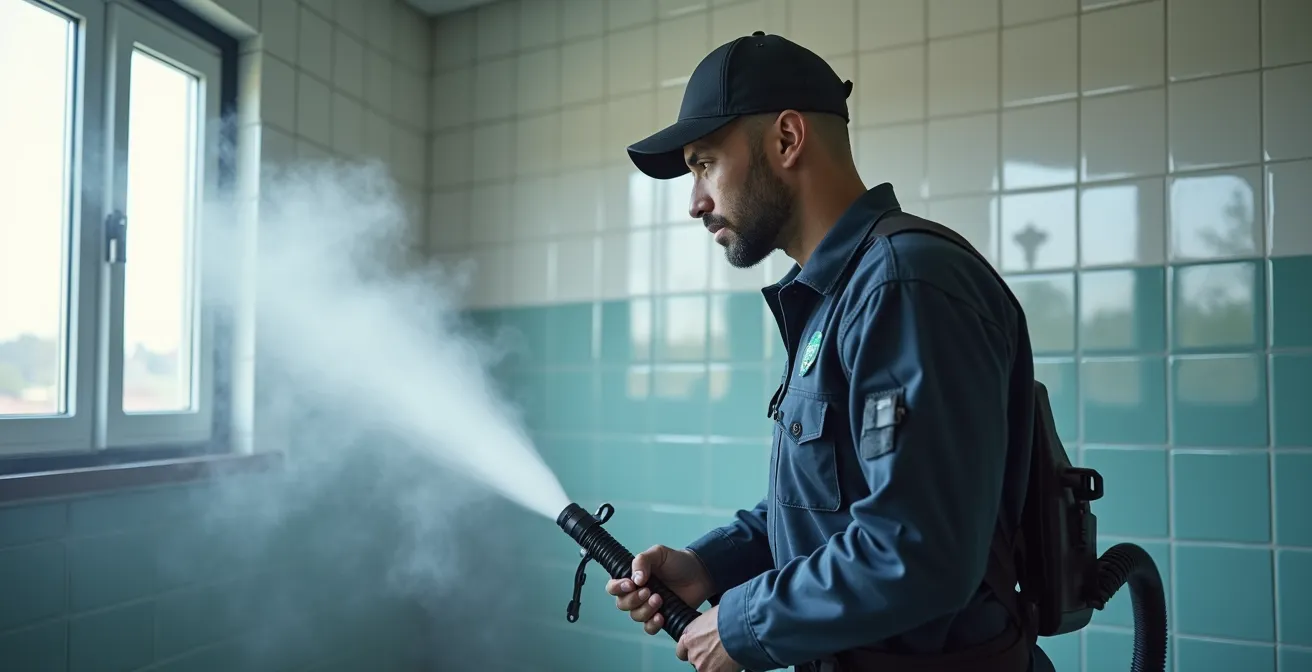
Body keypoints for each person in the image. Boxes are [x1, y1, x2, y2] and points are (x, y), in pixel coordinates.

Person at [604, 32, 1056, 672]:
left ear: (787, 139)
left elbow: (917, 550)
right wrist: (709, 567)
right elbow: (835, 504)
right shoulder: (844, 293)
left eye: (704, 162)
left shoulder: (905, 285)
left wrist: (742, 624)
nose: (695, 202)